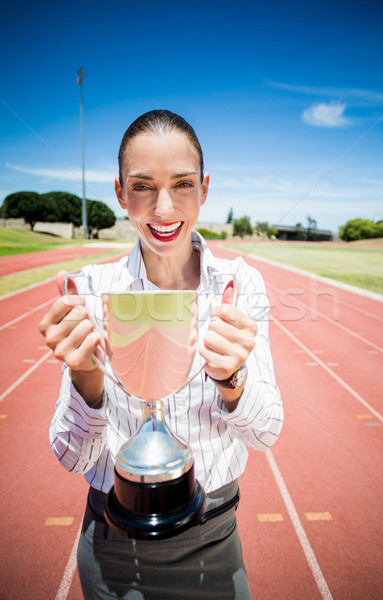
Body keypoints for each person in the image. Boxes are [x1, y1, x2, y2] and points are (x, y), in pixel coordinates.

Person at [39, 109, 283, 599]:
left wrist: (232, 378)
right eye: (144, 186)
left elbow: (265, 433)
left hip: (214, 540)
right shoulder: (92, 290)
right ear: (120, 193)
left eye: (183, 184)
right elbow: (73, 456)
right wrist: (86, 377)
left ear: (205, 188)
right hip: (113, 550)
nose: (165, 208)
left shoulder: (238, 285)